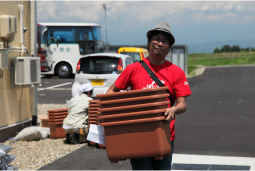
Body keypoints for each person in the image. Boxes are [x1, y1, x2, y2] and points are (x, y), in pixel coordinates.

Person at [106, 22, 192, 170]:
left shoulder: (176, 72)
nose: (160, 43)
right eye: (156, 39)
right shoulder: (133, 68)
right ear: (149, 43)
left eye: (164, 41)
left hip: (165, 135)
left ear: (169, 48)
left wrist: (173, 110)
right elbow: (111, 92)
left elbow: (182, 104)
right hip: (138, 134)